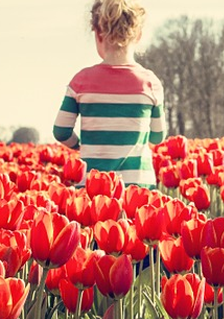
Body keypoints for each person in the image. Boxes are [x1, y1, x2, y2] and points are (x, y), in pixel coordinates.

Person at [53, 0, 167, 188]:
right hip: (138, 186)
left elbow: (60, 131)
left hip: (93, 186)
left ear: (98, 34)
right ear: (138, 35)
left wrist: (80, 146)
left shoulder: (81, 81)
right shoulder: (150, 83)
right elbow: (157, 136)